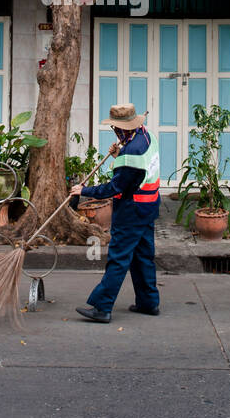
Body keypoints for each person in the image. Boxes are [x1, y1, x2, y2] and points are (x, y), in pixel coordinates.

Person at [69, 102, 161, 323]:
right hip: (148, 206)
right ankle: (148, 303)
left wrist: (84, 190)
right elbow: (137, 170)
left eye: (115, 128)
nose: (114, 131)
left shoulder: (132, 153)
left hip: (131, 210)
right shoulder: (147, 137)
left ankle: (102, 307)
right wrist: (119, 153)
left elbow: (114, 187)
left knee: (119, 258)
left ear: (122, 129)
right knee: (143, 257)